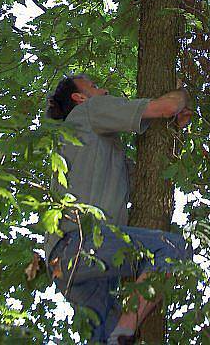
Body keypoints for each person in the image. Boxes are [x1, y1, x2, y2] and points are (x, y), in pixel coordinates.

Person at [44, 73, 193, 344]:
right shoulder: (89, 110)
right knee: (172, 248)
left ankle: (118, 336)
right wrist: (184, 95)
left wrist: (175, 131)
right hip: (82, 245)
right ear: (80, 98)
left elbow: (147, 180)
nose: (104, 90)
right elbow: (166, 106)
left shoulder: (99, 150)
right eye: (95, 87)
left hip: (66, 264)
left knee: (101, 338)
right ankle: (123, 334)